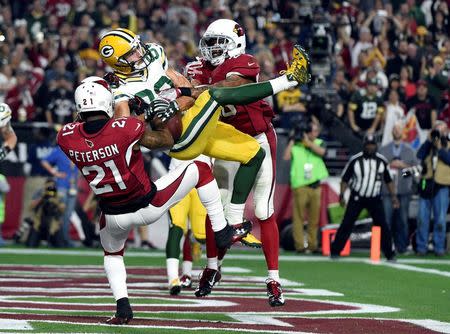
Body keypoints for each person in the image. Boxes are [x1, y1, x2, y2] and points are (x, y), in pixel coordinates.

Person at [58, 71, 302, 324]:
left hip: (111, 215)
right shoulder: (125, 127)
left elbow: (91, 126)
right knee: (201, 170)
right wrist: (143, 108)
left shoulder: (66, 137)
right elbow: (160, 137)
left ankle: (122, 307)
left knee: (112, 255)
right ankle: (221, 230)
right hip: (148, 203)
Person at [98, 28, 309, 236]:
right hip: (180, 139)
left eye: (138, 47)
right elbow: (127, 135)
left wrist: (174, 103)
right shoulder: (121, 92)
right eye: (132, 53)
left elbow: (186, 92)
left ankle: (234, 220)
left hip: (190, 117)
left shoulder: (153, 53)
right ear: (118, 62)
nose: (140, 53)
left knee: (254, 152)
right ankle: (288, 80)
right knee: (216, 95)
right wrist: (144, 116)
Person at [183, 19, 287, 306]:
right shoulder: (199, 69)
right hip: (227, 141)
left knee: (265, 209)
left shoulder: (245, 63)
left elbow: (229, 87)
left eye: (219, 43)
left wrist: (195, 88)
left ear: (235, 43)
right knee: (216, 204)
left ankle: (273, 278)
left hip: (258, 137)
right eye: (210, 43)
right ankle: (213, 267)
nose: (212, 49)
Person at [331, 134, 398, 260]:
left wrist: (393, 196)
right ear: (364, 145)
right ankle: (335, 251)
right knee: (347, 223)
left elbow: (389, 181)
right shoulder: (355, 160)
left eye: (372, 145)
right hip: (357, 197)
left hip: (374, 198)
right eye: (368, 145)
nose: (370, 147)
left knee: (383, 225)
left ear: (376, 146)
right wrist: (341, 195)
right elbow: (345, 179)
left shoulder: (382, 161)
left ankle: (390, 253)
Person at [283, 120, 328, 254]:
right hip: (300, 186)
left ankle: (313, 245)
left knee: (314, 219)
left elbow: (322, 152)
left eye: (314, 131)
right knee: (298, 218)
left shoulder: (319, 142)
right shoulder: (296, 144)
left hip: (316, 186)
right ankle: (300, 246)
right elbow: (286, 157)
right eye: (311, 131)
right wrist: (292, 139)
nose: (313, 133)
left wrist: (308, 142)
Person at [165, 156, 209, 295]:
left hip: (202, 182)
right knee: (176, 228)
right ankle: (173, 279)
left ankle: (195, 241)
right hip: (177, 179)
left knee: (201, 235)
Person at [379, 123, 418, 254]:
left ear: (403, 132)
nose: (397, 131)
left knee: (403, 221)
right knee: (386, 220)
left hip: (403, 191)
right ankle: (386, 247)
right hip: (387, 191)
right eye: (394, 129)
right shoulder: (383, 150)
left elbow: (416, 171)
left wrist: (403, 168)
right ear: (391, 132)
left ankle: (402, 247)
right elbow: (377, 170)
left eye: (399, 129)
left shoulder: (410, 150)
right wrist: (390, 166)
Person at [415, 121, 450, 256]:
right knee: (422, 218)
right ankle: (421, 247)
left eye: (441, 131)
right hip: (426, 184)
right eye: (436, 131)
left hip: (442, 185)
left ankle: (439, 247)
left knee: (440, 218)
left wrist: (440, 148)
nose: (439, 134)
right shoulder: (428, 146)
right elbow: (419, 155)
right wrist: (429, 141)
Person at [41, 145, 79, 247]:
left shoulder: (77, 150)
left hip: (73, 187)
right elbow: (44, 161)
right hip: (61, 185)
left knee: (68, 215)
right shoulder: (59, 150)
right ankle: (54, 239)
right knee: (58, 213)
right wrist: (55, 173)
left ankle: (65, 239)